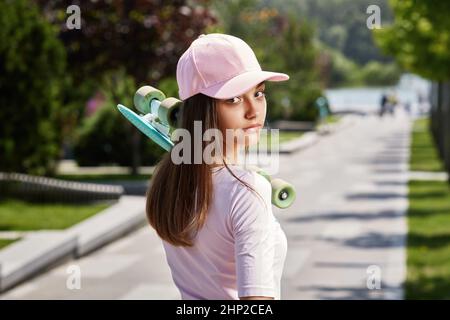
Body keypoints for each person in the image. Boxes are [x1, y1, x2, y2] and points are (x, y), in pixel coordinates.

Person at [146, 33, 289, 300]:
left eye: (258, 93)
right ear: (203, 109)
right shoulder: (247, 191)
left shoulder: (169, 180)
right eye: (233, 99)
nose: (253, 110)